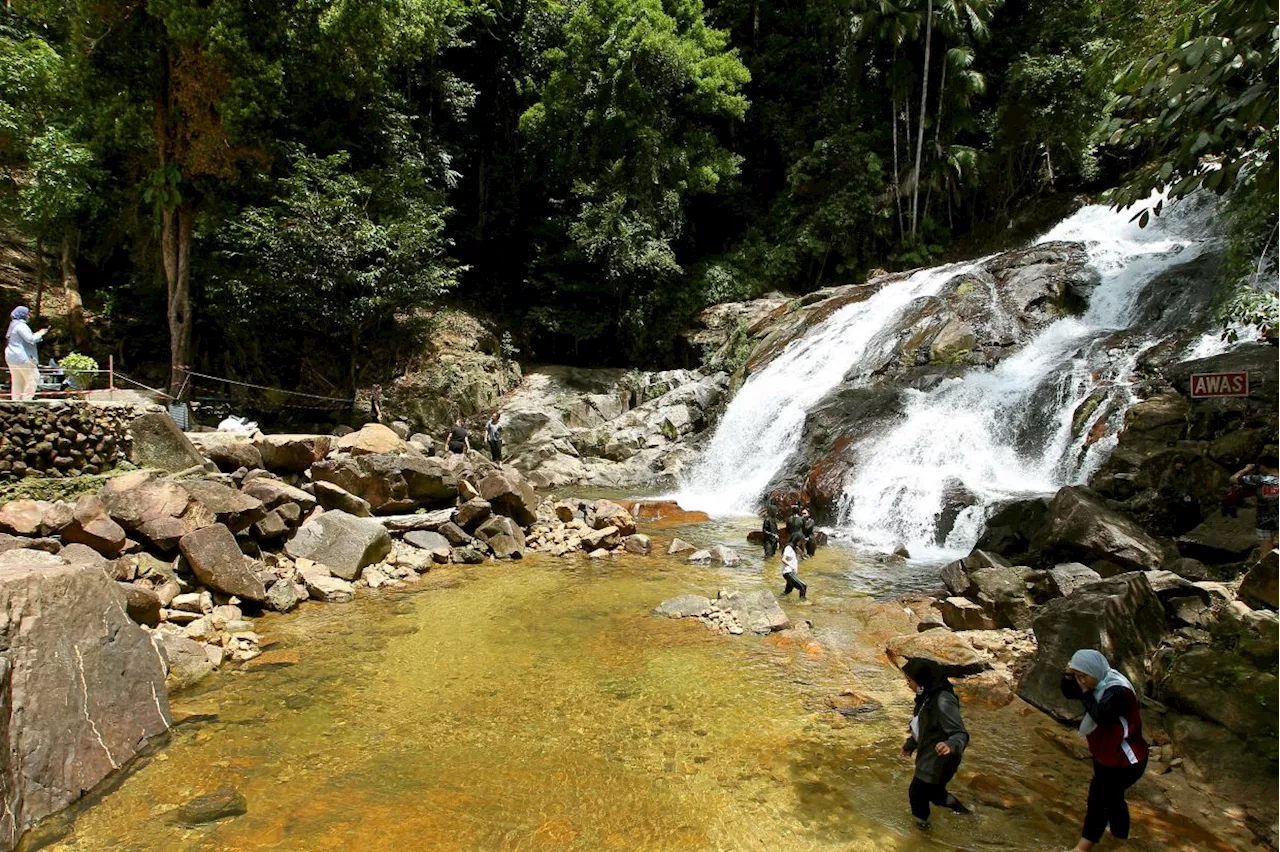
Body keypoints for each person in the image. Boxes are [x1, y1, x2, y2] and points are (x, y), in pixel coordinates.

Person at [1061, 649, 1149, 851]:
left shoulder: (1118, 691)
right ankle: (1120, 839)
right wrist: (1068, 674)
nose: (1080, 680)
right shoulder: (1095, 680)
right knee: (1114, 798)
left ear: (1095, 671)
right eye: (1078, 675)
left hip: (1126, 759)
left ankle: (1082, 847)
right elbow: (1069, 692)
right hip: (1105, 754)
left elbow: (1102, 716)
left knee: (1098, 800)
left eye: (1084, 676)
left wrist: (1083, 692)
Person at [900, 658, 970, 829]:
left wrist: (951, 744)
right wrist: (910, 745)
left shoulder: (943, 700)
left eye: (910, 680)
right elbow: (921, 726)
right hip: (929, 754)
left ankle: (922, 833)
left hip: (939, 758)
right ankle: (963, 813)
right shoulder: (926, 696)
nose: (907, 684)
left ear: (922, 680)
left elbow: (960, 733)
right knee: (936, 794)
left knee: (917, 793)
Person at [1231, 456, 1280, 556]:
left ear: (1263, 467)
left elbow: (1233, 479)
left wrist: (1247, 469)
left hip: (1264, 521)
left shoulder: (1258, 479)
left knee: (1265, 553)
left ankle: (1266, 569)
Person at [5, 306, 46, 401]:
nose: (28, 316)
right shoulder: (21, 326)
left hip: (11, 357)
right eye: (27, 314)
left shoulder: (12, 325)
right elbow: (30, 339)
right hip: (22, 357)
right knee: (33, 377)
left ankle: (16, 401)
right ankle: (27, 400)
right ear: (23, 315)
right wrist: (41, 333)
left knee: (18, 380)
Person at [780, 533, 807, 600]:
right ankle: (802, 602)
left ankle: (779, 599)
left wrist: (803, 556)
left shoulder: (795, 547)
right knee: (803, 586)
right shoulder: (788, 548)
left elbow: (802, 553)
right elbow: (783, 559)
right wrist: (791, 565)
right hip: (788, 573)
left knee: (788, 591)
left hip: (791, 573)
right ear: (796, 540)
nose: (801, 543)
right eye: (800, 541)